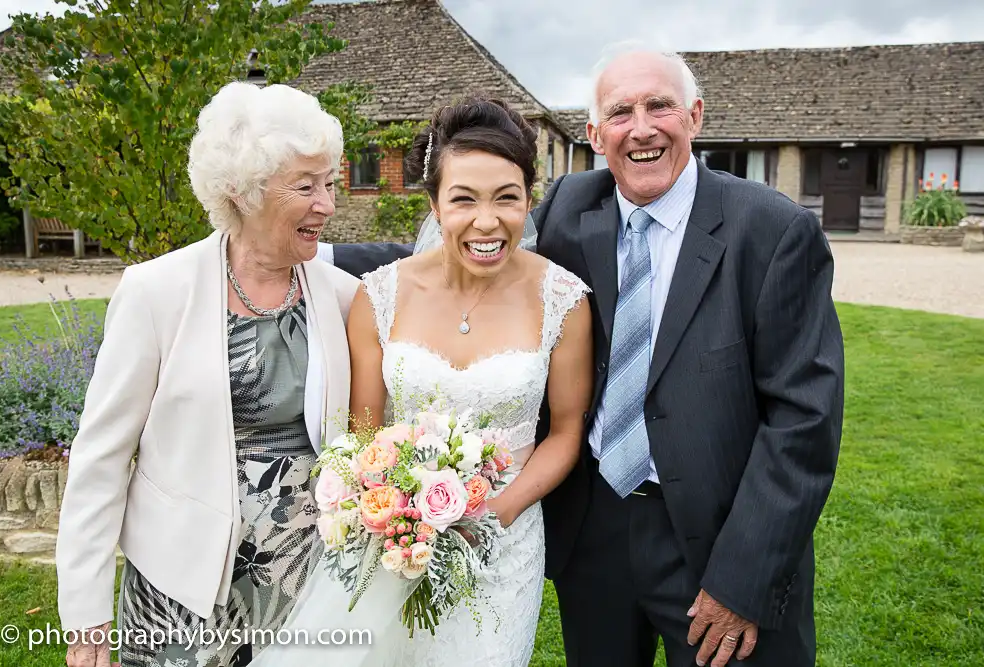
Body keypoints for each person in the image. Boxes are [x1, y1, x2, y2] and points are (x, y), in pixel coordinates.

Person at [325, 43, 845, 667]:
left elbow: (805, 423)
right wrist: (314, 255)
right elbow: (476, 240)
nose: (643, 128)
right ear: (596, 134)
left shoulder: (773, 231)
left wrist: (743, 579)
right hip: (595, 534)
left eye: (661, 107)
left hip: (717, 539)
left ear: (696, 117)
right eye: (621, 112)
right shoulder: (575, 206)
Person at [252, 96, 593, 667]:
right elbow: (361, 435)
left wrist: (499, 511)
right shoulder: (379, 295)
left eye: (507, 198)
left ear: (528, 201)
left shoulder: (562, 300)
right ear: (434, 204)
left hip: (502, 545)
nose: (488, 221)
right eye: (463, 200)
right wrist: (389, 510)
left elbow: (564, 432)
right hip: (394, 541)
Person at [56, 81, 359, 667]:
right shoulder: (157, 293)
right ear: (241, 192)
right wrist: (85, 612)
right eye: (306, 186)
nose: (327, 204)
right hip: (181, 593)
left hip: (308, 585)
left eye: (329, 183)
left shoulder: (343, 297)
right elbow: (101, 457)